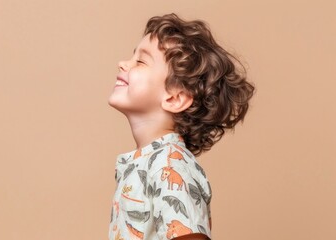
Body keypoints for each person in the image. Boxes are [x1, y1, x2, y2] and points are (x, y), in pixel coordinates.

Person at [107, 13, 254, 240]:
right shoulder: (147, 161)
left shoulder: (171, 165)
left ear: (175, 98)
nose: (123, 63)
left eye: (141, 61)